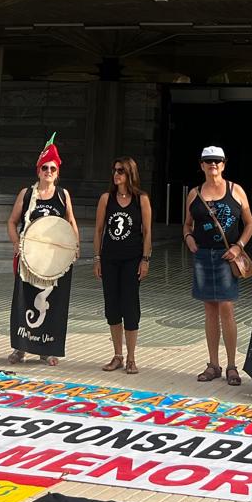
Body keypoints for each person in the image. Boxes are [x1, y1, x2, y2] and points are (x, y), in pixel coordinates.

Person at [183, 145, 252, 385]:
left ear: (224, 164)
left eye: (217, 161)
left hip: (227, 257)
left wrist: (238, 246)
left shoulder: (236, 190)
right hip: (204, 256)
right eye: (208, 161)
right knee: (210, 310)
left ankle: (232, 366)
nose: (213, 164)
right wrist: (189, 238)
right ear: (201, 165)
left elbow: (250, 223)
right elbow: (187, 224)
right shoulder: (194, 193)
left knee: (227, 308)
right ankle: (213, 364)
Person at [7, 137, 78, 365]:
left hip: (54, 261)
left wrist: (74, 246)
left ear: (57, 173)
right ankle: (20, 348)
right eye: (45, 168)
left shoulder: (62, 195)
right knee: (23, 300)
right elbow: (11, 222)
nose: (48, 171)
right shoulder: (27, 194)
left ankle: (47, 349)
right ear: (38, 170)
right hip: (29, 259)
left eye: (52, 169)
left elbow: (70, 222)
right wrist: (16, 243)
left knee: (54, 302)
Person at [94, 156, 152, 374]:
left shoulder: (141, 199)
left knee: (130, 305)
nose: (116, 174)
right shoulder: (106, 199)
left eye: (121, 170)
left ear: (130, 173)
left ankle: (131, 357)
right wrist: (97, 258)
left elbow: (147, 232)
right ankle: (117, 355)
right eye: (114, 170)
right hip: (110, 259)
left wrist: (145, 259)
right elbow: (99, 230)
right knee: (112, 306)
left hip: (132, 260)